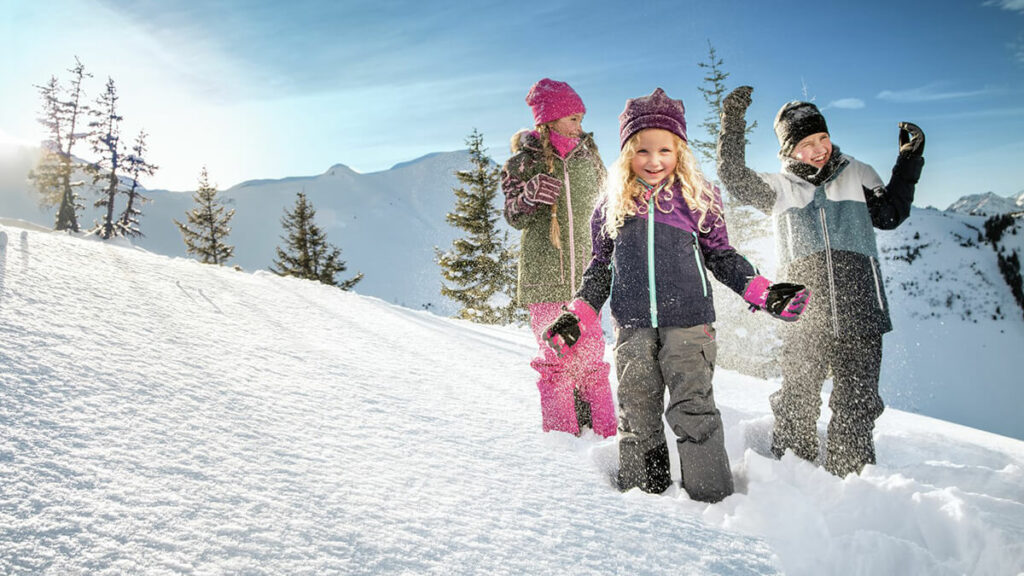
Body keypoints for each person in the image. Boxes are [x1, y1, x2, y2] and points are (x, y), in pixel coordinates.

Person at [544, 88, 809, 502]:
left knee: (695, 413)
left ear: (679, 150)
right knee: (636, 415)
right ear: (626, 153)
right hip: (632, 329)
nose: (654, 161)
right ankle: (645, 504)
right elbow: (598, 271)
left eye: (665, 149)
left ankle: (712, 501)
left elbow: (721, 257)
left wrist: (763, 292)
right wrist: (576, 314)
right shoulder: (611, 205)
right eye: (642, 150)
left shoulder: (698, 198)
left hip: (689, 326)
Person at [716, 85, 925, 477]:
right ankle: (793, 476)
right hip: (804, 312)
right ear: (787, 150)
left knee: (857, 402)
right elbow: (732, 175)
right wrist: (733, 121)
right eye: (805, 143)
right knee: (797, 398)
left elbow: (891, 214)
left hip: (861, 307)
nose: (817, 149)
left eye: (822, 138)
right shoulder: (778, 189)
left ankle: (854, 476)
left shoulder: (858, 173)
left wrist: (908, 161)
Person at [501, 78, 616, 438]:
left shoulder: (588, 157)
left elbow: (608, 203)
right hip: (545, 279)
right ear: (548, 121)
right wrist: (529, 196)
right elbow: (513, 216)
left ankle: (605, 436)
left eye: (581, 119)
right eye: (572, 119)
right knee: (558, 361)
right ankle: (564, 445)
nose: (579, 127)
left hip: (586, 281)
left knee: (592, 363)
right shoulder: (523, 163)